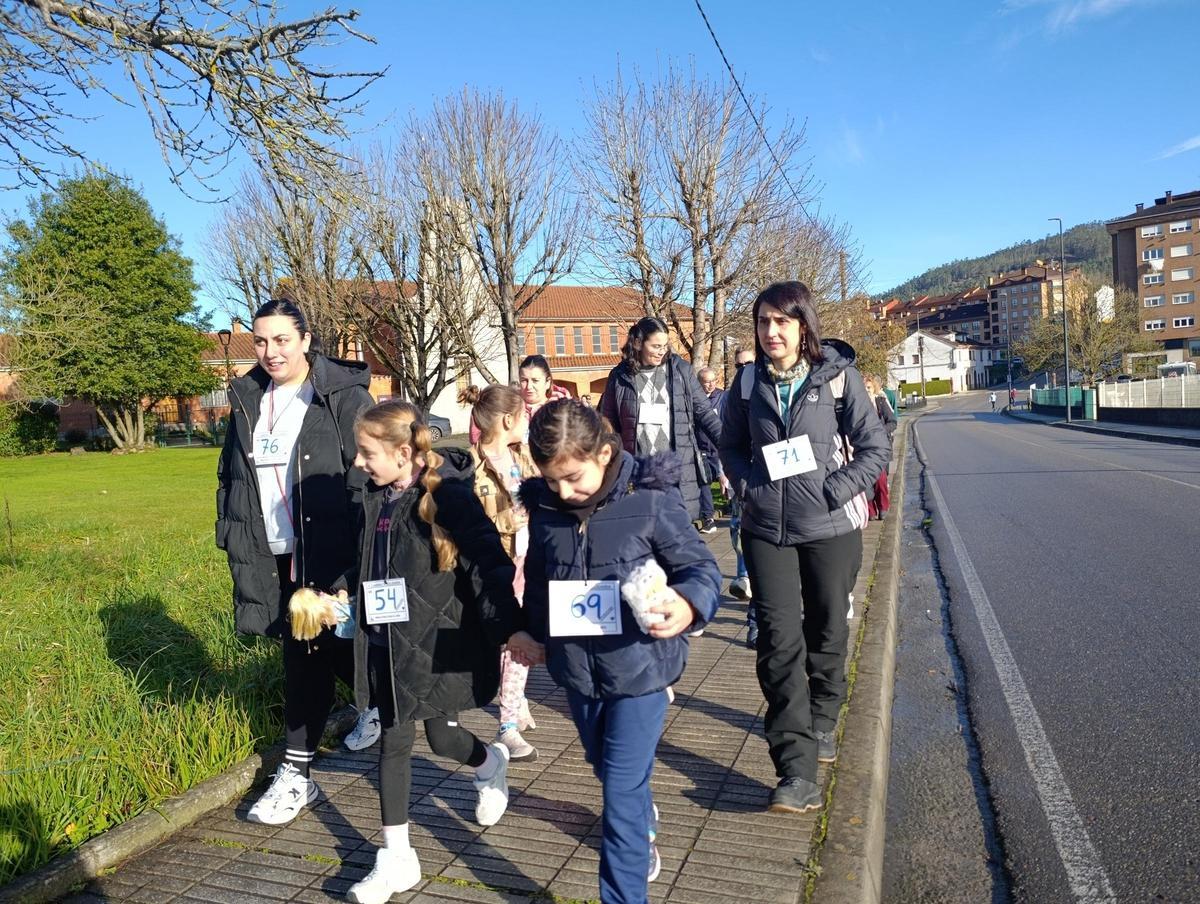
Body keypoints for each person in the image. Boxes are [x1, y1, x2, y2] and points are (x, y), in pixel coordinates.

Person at [519, 399, 720, 904]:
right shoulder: (545, 511)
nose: (564, 492)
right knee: (603, 765)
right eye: (551, 480)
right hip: (578, 675)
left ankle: (624, 892)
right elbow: (540, 583)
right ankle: (641, 816)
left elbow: (700, 568)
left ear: (605, 453)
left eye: (574, 478)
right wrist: (531, 632)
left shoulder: (650, 500)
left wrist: (689, 605)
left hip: (641, 670)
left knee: (620, 791)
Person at [345, 400, 543, 903]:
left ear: (404, 450)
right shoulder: (373, 499)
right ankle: (397, 860)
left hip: (438, 640)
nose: (359, 463)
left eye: (367, 453)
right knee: (395, 741)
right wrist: (335, 595)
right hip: (389, 645)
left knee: (442, 738)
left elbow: (488, 563)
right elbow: (364, 564)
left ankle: (488, 764)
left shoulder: (448, 495)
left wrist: (510, 628)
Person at [719, 281, 889, 814]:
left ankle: (823, 717)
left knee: (827, 628)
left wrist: (833, 490)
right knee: (777, 641)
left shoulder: (838, 379)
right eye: (764, 322)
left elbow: (874, 446)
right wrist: (748, 485)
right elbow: (728, 445)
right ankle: (795, 769)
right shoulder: (746, 382)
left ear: (803, 326)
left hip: (830, 528)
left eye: (782, 322)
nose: (772, 332)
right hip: (766, 528)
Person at [216, 299, 378, 827]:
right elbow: (232, 480)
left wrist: (361, 559)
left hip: (329, 552)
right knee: (310, 654)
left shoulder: (340, 397)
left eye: (282, 339)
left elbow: (368, 476)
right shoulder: (245, 399)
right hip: (273, 554)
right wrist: (231, 535)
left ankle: (298, 770)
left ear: (306, 340)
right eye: (261, 341)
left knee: (320, 652)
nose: (270, 352)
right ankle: (346, 727)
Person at [459, 384, 542, 762]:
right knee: (506, 641)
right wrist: (516, 518)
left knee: (519, 643)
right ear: (509, 419)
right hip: (498, 567)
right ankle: (509, 715)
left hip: (530, 562)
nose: (527, 422)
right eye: (523, 415)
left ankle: (510, 714)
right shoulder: (471, 468)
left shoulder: (523, 457)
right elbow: (477, 524)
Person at [599, 317, 722, 527]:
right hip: (639, 475)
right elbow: (606, 427)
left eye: (665, 346)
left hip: (677, 472)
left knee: (676, 541)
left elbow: (705, 414)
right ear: (637, 343)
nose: (661, 351)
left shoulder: (681, 370)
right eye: (655, 346)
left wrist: (732, 447)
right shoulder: (619, 377)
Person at [724, 349, 756, 646]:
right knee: (739, 532)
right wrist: (734, 479)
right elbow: (727, 441)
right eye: (738, 365)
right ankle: (744, 581)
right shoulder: (731, 396)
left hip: (797, 493)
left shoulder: (765, 386)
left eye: (748, 363)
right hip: (746, 485)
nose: (742, 368)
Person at [695, 367, 724, 534]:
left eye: (714, 380)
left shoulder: (723, 397)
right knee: (704, 482)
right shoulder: (693, 399)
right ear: (699, 383)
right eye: (707, 382)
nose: (711, 384)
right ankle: (708, 518)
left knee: (727, 483)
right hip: (702, 450)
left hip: (720, 449)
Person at [863, 376, 897, 521]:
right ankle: (870, 510)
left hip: (880, 447)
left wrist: (880, 431)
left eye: (869, 387)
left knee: (881, 479)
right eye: (864, 388)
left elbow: (892, 422)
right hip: (863, 448)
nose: (866, 390)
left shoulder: (881, 402)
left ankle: (883, 507)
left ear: (874, 388)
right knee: (866, 482)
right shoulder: (857, 405)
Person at [519, 354, 572, 419]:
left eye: (535, 380)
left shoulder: (564, 410)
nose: (529, 386)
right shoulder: (510, 409)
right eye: (524, 380)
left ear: (548, 382)